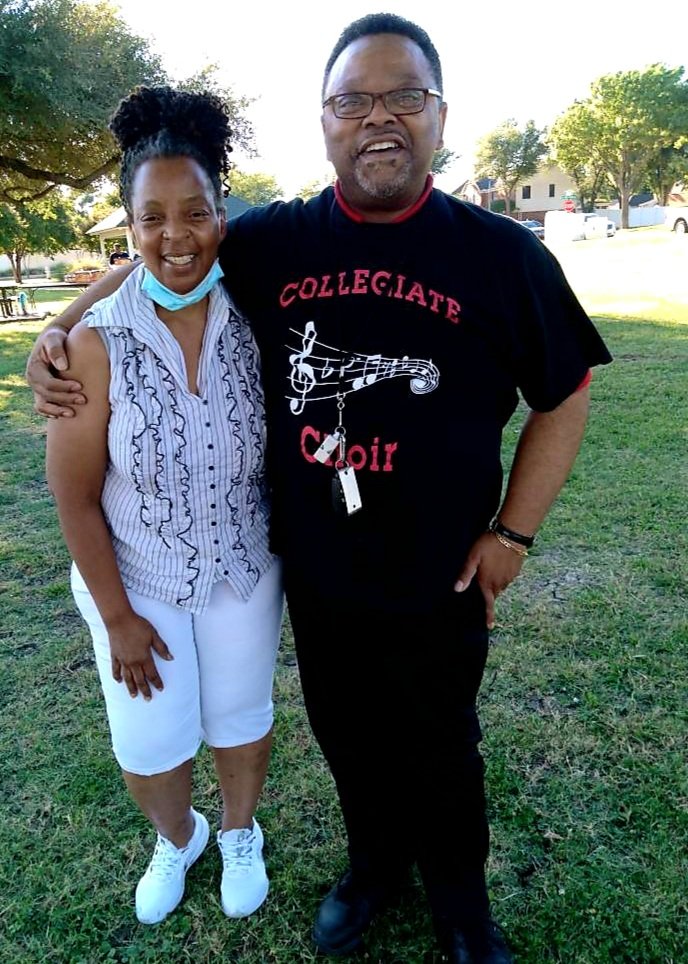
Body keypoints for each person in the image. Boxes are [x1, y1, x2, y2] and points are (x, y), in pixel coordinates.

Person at [28, 14, 611, 962]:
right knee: (347, 735)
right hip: (316, 572)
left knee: (440, 744)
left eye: (403, 97)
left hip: (441, 574)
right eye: (353, 101)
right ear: (326, 121)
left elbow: (569, 391)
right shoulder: (274, 240)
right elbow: (159, 255)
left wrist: (513, 536)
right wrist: (53, 336)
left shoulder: (503, 256)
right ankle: (373, 870)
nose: (378, 119)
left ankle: (463, 906)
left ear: (440, 114)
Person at [44, 86, 283, 927]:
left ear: (224, 212)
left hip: (243, 567)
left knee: (242, 720)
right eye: (153, 218)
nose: (175, 237)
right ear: (129, 221)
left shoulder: (260, 307)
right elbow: (71, 494)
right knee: (149, 745)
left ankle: (239, 832)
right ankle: (177, 837)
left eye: (196, 213)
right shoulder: (95, 342)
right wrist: (117, 617)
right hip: (135, 578)